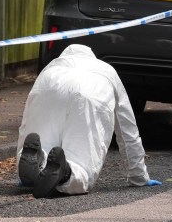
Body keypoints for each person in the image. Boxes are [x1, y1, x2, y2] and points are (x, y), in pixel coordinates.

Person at [15, 44, 161, 198]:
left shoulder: (51, 66)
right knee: (82, 165)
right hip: (90, 92)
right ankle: (67, 173)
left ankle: (38, 161)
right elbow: (127, 130)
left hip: (48, 86)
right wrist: (139, 176)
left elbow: (26, 123)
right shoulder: (107, 70)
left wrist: (20, 171)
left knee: (43, 140)